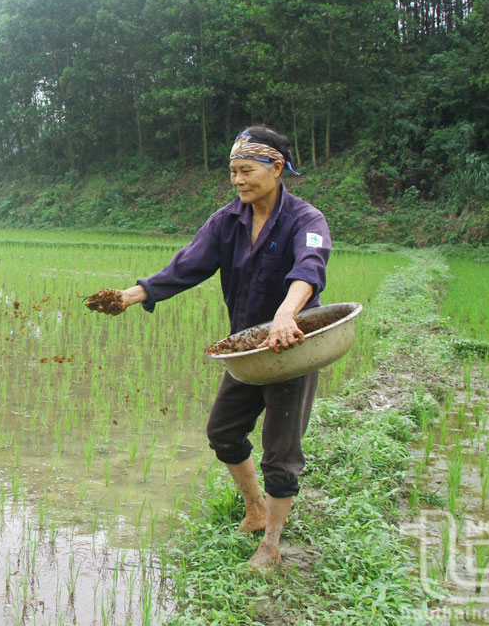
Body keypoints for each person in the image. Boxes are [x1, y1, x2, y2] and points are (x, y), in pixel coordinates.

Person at [93, 125, 331, 569]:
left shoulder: (306, 220)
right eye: (233, 172)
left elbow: (310, 268)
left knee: (280, 452)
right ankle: (256, 507)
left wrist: (286, 314)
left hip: (290, 347)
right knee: (223, 433)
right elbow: (185, 266)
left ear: (276, 168)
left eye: (247, 170)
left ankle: (272, 546)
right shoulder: (227, 221)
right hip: (244, 349)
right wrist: (130, 296)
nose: (238, 180)